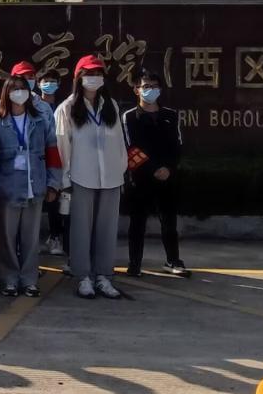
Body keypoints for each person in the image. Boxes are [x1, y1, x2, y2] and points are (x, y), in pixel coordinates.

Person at [55, 55, 127, 300]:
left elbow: (119, 141)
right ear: (79, 77)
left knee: (107, 229)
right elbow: (63, 145)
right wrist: (65, 179)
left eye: (98, 73)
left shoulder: (111, 105)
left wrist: (121, 170)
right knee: (81, 229)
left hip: (111, 177)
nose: (94, 78)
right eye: (89, 74)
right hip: (80, 176)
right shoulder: (67, 108)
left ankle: (104, 275)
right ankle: (83, 276)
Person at [0, 74, 62, 298]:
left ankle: (29, 279)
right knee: (7, 238)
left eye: (22, 88)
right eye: (14, 88)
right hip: (8, 189)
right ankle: (9, 278)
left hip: (35, 186)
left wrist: (53, 183)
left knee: (31, 238)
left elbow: (52, 152)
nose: (19, 92)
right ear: (6, 94)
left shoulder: (40, 120)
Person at [122, 69, 186, 277]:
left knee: (169, 222)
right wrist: (152, 169)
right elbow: (131, 147)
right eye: (146, 86)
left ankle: (173, 260)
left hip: (167, 177)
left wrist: (168, 168)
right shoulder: (129, 117)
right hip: (141, 178)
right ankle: (134, 264)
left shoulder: (171, 115)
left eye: (155, 86)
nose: (151, 90)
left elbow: (177, 146)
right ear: (136, 90)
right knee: (137, 222)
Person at [37, 67, 67, 257]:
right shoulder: (34, 105)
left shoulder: (64, 106)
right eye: (45, 80)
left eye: (53, 81)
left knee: (56, 199)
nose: (49, 84)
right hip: (40, 156)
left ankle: (56, 236)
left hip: (60, 156)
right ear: (38, 84)